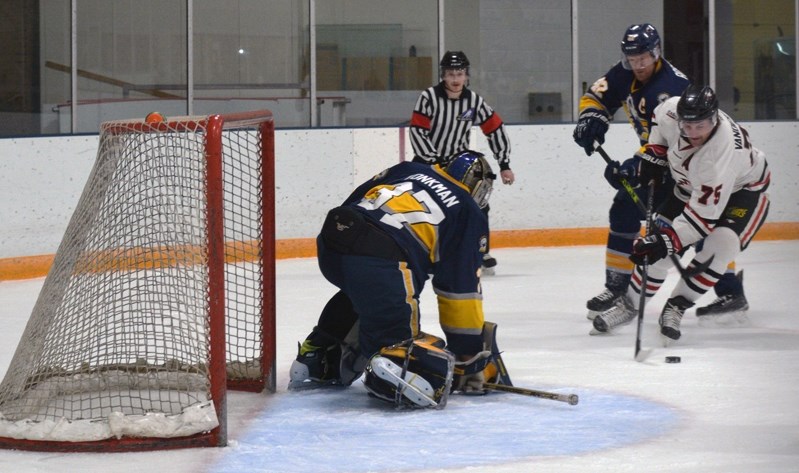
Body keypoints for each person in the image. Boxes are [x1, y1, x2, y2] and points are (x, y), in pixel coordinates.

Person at [288, 150, 505, 408]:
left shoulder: (407, 169)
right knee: (401, 347)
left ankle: (318, 357)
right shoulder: (467, 211)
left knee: (364, 294)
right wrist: (467, 353)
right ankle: (394, 365)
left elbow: (358, 197)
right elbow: (459, 292)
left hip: (334, 239)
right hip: (382, 258)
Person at [573, 23, 748, 321]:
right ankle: (617, 286)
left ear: (656, 53)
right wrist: (592, 118)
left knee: (702, 227)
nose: (637, 63)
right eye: (631, 57)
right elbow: (597, 95)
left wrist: (634, 166)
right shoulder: (623, 71)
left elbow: (682, 142)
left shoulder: (672, 88)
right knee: (624, 208)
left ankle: (731, 292)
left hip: (688, 166)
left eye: (643, 56)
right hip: (655, 158)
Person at [592, 85, 770, 343]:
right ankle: (628, 305)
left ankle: (676, 306)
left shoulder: (719, 155)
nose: (693, 133)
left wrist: (667, 241)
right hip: (688, 186)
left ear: (714, 118)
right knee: (655, 253)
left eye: (701, 126)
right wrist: (655, 153)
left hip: (742, 191)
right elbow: (657, 121)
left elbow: (701, 219)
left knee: (721, 245)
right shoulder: (672, 110)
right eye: (688, 125)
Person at [409, 50, 514, 275]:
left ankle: (480, 251)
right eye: (450, 74)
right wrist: (432, 161)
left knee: (479, 205)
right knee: (425, 208)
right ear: (443, 76)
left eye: (460, 73)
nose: (455, 79)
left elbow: (495, 128)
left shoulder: (473, 101)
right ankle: (425, 251)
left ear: (466, 75)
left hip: (459, 165)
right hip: (428, 164)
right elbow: (418, 131)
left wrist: (504, 164)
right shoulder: (429, 97)